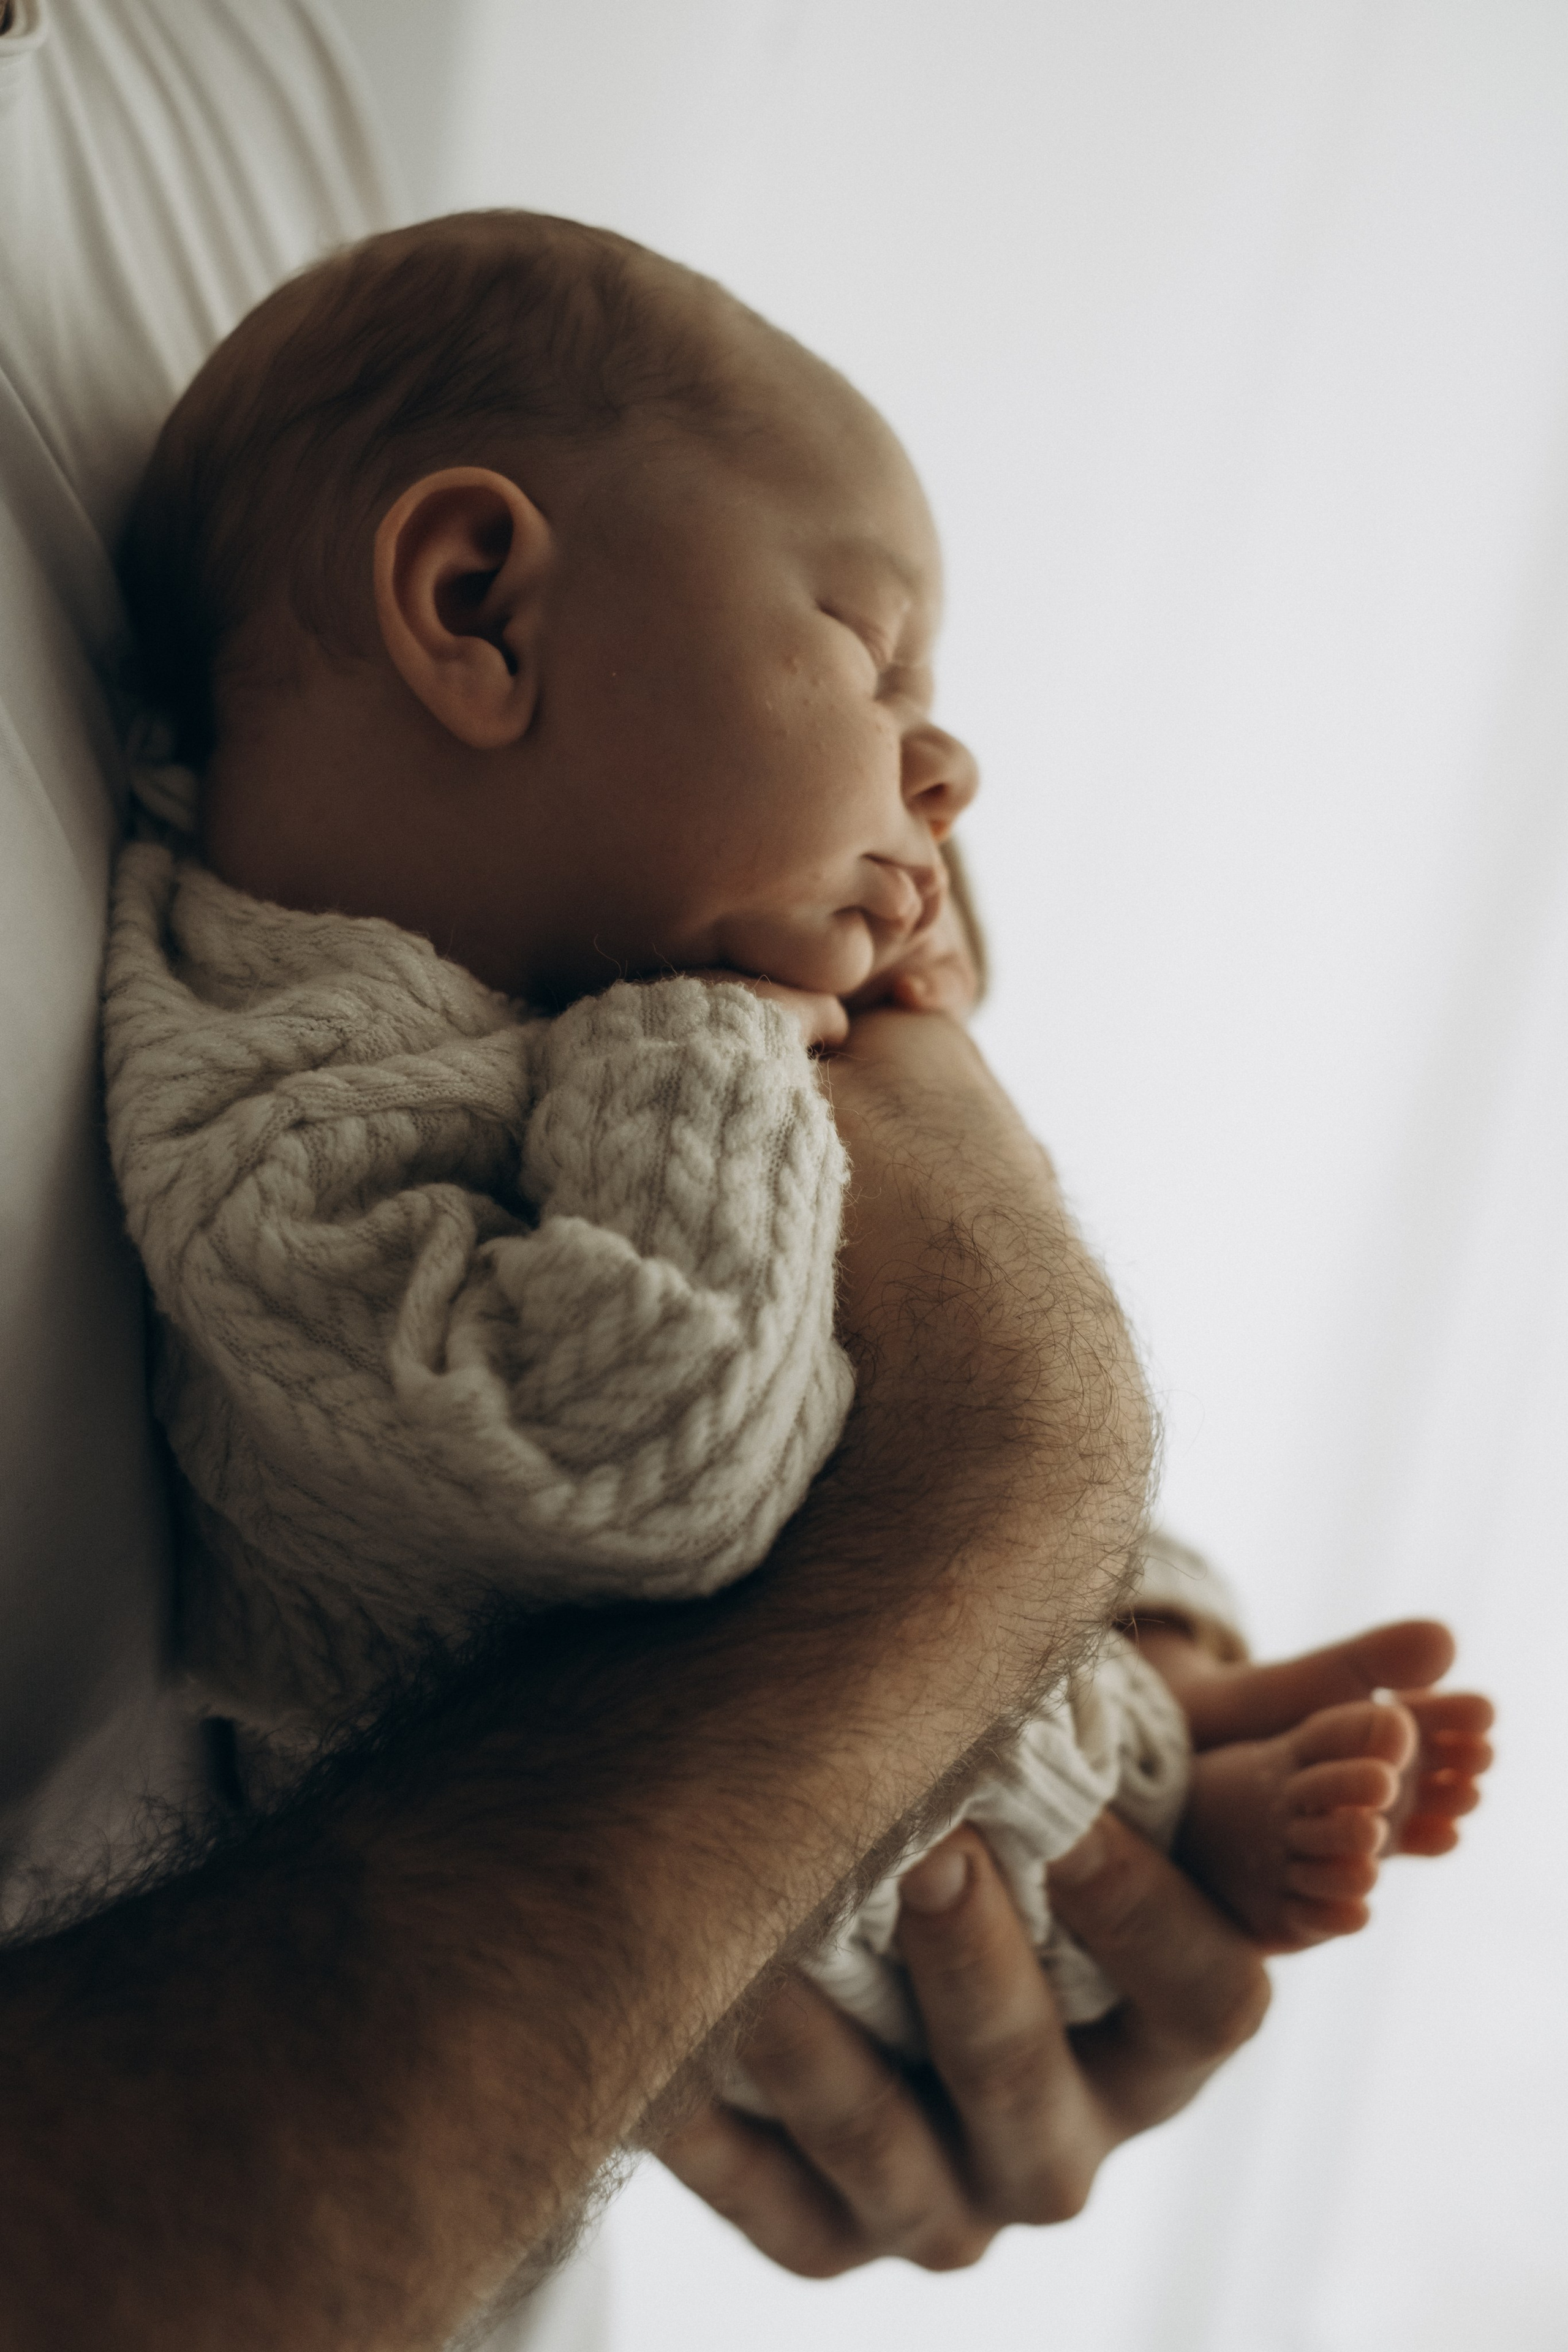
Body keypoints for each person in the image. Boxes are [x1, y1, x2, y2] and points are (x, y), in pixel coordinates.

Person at [0, 7, 1488, 2348]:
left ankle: (1160, 1704)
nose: (953, 751)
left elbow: (896, 1356)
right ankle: (1125, 1759)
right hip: (512, 1978)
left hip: (604, 2023)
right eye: (867, 642)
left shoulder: (249, 84)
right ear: (479, 611)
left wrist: (1102, 1587)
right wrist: (762, 1040)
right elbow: (639, 1458)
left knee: (1089, 1653)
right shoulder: (274, 1080)